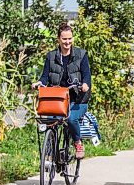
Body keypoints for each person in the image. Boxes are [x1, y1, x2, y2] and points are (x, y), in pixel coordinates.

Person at [32, 23, 92, 159]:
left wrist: (85, 84)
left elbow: (86, 75)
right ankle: (50, 150)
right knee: (50, 122)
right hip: (58, 100)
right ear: (58, 39)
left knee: (71, 119)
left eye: (70, 39)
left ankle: (77, 142)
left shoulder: (81, 55)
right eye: (64, 39)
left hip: (77, 99)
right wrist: (39, 83)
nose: (67, 42)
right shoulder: (51, 56)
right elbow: (45, 76)